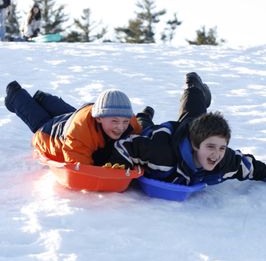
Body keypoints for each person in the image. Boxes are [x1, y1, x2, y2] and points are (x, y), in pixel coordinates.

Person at [107, 72, 266, 185]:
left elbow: (250, 166)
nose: (216, 153)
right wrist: (121, 167)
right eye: (211, 146)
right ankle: (145, 114)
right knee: (145, 128)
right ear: (195, 144)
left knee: (195, 116)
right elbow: (125, 146)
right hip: (165, 137)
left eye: (222, 147)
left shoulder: (224, 161)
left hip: (192, 130)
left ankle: (196, 88)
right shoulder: (160, 153)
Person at [4, 81, 154, 165]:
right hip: (51, 135)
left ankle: (44, 99)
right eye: (115, 121)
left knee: (71, 116)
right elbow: (80, 169)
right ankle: (15, 95)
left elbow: (140, 130)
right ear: (99, 117)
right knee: (40, 120)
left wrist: (145, 117)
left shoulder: (129, 123)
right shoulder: (79, 135)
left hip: (76, 118)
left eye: (125, 121)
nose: (120, 127)